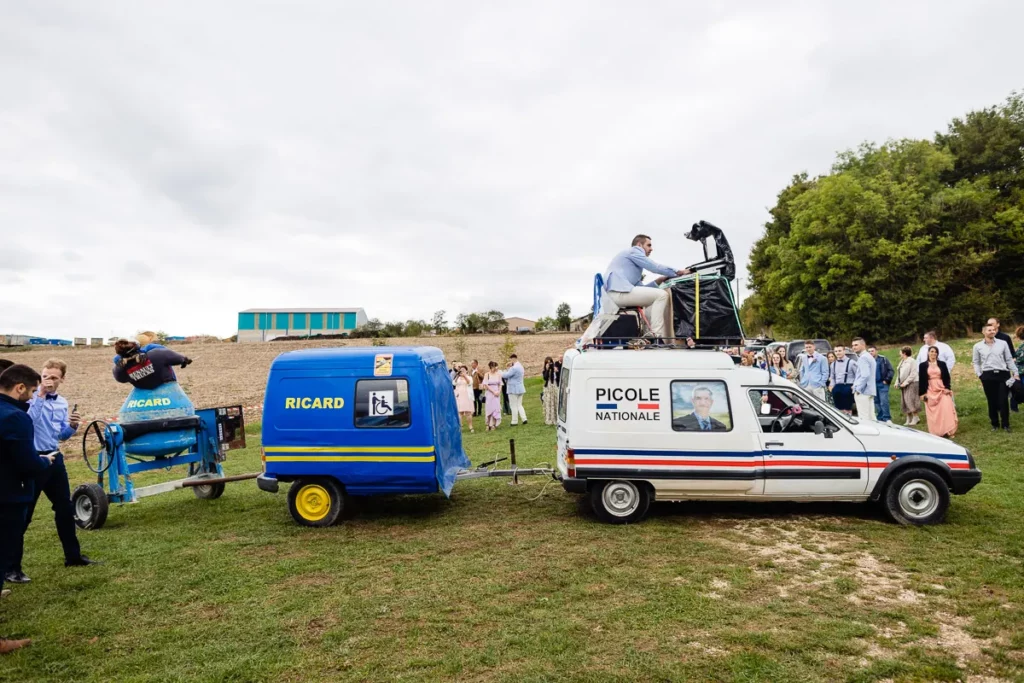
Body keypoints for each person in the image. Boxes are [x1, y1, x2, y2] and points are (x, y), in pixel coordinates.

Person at [7, 360, 97, 586]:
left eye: (53, 378)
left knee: (65, 509)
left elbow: (61, 435)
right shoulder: (28, 400)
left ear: (62, 380)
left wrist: (73, 427)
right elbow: (30, 421)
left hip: (54, 458)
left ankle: (73, 557)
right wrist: (40, 395)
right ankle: (12, 568)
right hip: (34, 460)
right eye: (45, 376)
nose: (48, 381)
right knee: (24, 515)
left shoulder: (62, 403)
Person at [0, 364, 55, 654]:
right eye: (32, 391)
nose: (32, 397)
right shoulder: (15, 418)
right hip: (7, 498)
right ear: (19, 388)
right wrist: (44, 462)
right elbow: (27, 463)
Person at [602, 234, 689, 339]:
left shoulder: (631, 268)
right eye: (649, 245)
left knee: (652, 300)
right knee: (662, 295)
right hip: (618, 293)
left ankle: (648, 336)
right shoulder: (633, 251)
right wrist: (679, 272)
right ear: (639, 245)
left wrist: (659, 280)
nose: (651, 249)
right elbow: (654, 267)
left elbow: (643, 289)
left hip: (617, 294)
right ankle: (657, 336)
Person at [972, 323, 1019, 432]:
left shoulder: (1003, 343)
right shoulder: (977, 346)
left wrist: (1015, 372)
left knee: (1003, 400)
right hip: (988, 375)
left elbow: (1008, 359)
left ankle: (1006, 424)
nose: (992, 332)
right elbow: (976, 362)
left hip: (1003, 374)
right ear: (983, 332)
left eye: (993, 330)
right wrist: (980, 374)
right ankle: (995, 424)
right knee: (991, 400)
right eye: (989, 330)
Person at [112, 340, 192, 389]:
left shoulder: (120, 369)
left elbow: (121, 379)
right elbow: (175, 357)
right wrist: (185, 360)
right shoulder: (157, 353)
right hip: (168, 388)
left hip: (141, 395)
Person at [920, 346, 957, 438]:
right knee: (934, 412)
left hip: (942, 388)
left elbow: (947, 377)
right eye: (932, 351)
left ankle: (949, 430)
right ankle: (937, 431)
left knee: (946, 409)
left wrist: (948, 387)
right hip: (930, 389)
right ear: (928, 353)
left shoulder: (942, 364)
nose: (934, 353)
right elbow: (921, 380)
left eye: (936, 352)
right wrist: (922, 393)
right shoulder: (923, 365)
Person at [851, 338, 877, 422]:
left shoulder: (863, 358)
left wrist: (858, 388)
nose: (853, 347)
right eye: (852, 345)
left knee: (864, 418)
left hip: (863, 391)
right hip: (869, 390)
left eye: (856, 345)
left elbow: (865, 375)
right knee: (871, 417)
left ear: (863, 345)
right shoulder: (869, 356)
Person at [868, 345, 895, 423]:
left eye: (872, 351)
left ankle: (887, 418)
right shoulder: (867, 360)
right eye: (869, 351)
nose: (870, 353)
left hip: (882, 384)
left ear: (876, 351)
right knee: (876, 402)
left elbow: (891, 370)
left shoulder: (883, 359)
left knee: (884, 401)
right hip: (873, 385)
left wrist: (887, 380)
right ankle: (880, 418)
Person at [896, 346, 921, 426]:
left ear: (904, 353)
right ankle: (908, 418)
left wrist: (905, 383)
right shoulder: (902, 361)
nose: (899, 353)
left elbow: (913, 374)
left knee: (910, 400)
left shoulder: (912, 361)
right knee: (905, 401)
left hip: (912, 383)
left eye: (900, 352)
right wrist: (897, 383)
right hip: (903, 384)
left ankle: (916, 417)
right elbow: (899, 373)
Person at [829, 345, 858, 415]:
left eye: (839, 351)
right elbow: (832, 377)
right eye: (836, 351)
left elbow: (858, 375)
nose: (837, 353)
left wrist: (854, 385)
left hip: (848, 386)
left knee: (847, 408)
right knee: (838, 409)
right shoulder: (833, 364)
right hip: (837, 387)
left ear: (844, 351)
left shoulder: (851, 362)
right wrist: (832, 386)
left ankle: (848, 420)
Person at [502, 354, 527, 426]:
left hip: (513, 388)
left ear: (513, 359)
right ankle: (524, 418)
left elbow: (506, 375)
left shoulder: (514, 368)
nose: (510, 361)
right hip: (520, 387)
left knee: (513, 405)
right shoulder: (520, 366)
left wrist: (500, 372)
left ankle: (514, 421)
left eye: (510, 360)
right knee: (519, 404)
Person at [482, 362, 503, 431]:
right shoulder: (487, 375)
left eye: (496, 367)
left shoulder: (498, 375)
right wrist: (493, 392)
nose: (495, 368)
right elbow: (486, 385)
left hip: (496, 393)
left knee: (495, 408)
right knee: (489, 409)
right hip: (490, 393)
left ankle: (493, 424)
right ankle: (487, 424)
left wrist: (498, 392)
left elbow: (500, 384)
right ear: (491, 367)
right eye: (494, 367)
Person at [453, 366, 474, 433]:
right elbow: (453, 383)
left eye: (463, 370)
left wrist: (464, 376)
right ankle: (460, 426)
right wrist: (457, 376)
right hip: (459, 396)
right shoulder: (457, 378)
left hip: (467, 396)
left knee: (468, 412)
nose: (462, 371)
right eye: (461, 370)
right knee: (460, 412)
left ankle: (470, 426)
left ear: (466, 371)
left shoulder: (469, 377)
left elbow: (469, 382)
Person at [541, 357, 559, 425]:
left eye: (550, 362)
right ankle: (549, 418)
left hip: (554, 386)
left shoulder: (555, 369)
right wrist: (547, 369)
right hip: (548, 387)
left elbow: (558, 377)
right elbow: (545, 378)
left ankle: (556, 418)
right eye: (547, 362)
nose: (549, 364)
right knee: (548, 401)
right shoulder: (544, 370)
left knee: (555, 401)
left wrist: (556, 371)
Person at [1012, 326, 1024, 413]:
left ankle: (1014, 407)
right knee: (1017, 390)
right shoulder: (1022, 347)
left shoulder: (1021, 347)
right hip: (1020, 372)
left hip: (1018, 370)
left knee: (1016, 389)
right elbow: (1018, 359)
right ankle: (1013, 408)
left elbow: (1016, 358)